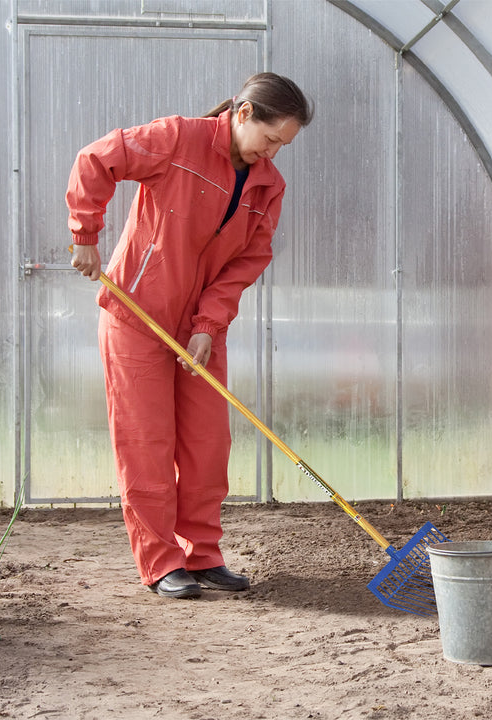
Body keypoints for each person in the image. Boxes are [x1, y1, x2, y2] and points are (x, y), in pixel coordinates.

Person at [66, 73, 313, 599]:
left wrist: (208, 326)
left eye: (282, 147)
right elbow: (97, 159)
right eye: (270, 139)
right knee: (147, 441)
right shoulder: (177, 139)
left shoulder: (269, 184)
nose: (272, 154)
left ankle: (202, 555)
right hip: (138, 316)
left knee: (207, 443)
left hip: (200, 329)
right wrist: (85, 234)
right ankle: (160, 561)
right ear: (244, 113)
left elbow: (247, 261)